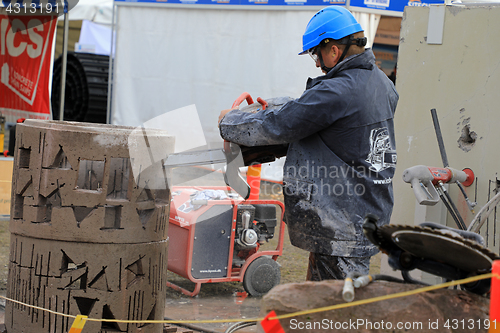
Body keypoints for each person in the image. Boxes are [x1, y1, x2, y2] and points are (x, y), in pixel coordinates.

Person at [218, 6, 398, 281]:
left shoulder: (339, 90)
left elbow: (282, 124)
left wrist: (230, 121)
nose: (316, 63)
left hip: (341, 218)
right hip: (365, 211)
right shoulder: (382, 83)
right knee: (324, 302)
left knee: (334, 309)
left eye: (316, 53)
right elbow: (327, 124)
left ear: (334, 50)